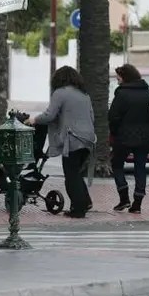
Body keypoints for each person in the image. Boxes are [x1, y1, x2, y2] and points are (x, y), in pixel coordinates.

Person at [27, 66, 96, 218]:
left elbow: (49, 115)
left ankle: (78, 209)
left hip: (72, 139)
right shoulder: (84, 95)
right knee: (76, 172)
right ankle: (85, 201)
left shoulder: (60, 93)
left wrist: (33, 119)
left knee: (71, 175)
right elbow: (92, 117)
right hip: (88, 139)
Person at [108, 64, 149, 214]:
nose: (118, 81)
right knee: (140, 167)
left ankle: (124, 197)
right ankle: (138, 202)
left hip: (124, 137)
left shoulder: (121, 94)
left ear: (125, 78)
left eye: (119, 78)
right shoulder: (148, 93)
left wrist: (115, 132)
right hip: (144, 137)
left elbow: (113, 116)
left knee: (117, 165)